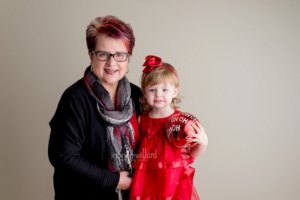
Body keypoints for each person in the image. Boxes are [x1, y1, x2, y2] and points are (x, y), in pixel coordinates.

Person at [48, 15, 143, 200]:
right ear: (91, 54)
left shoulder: (137, 96)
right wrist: (114, 180)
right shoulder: (75, 99)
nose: (112, 63)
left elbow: (155, 138)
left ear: (129, 58)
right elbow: (63, 157)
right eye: (103, 54)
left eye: (120, 55)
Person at [129, 55, 208, 200]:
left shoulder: (181, 121)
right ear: (144, 92)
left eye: (165, 90)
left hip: (174, 180)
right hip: (148, 180)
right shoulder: (142, 120)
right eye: (152, 90)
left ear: (175, 92)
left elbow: (191, 154)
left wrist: (202, 144)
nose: (158, 94)